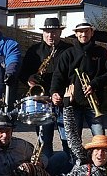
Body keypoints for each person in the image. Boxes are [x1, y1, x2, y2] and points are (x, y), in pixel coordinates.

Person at [50, 21, 107, 137]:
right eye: (80, 32)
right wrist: (54, 92)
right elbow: (58, 75)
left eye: (86, 31)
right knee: (74, 140)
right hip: (73, 104)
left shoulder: (101, 52)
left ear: (92, 33)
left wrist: (95, 83)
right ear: (76, 34)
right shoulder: (68, 54)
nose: (83, 34)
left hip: (94, 104)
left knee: (100, 139)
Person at [20, 17, 71, 157]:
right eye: (47, 32)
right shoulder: (34, 50)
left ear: (60, 32)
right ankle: (47, 168)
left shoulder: (68, 50)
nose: (50, 35)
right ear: (43, 33)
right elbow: (23, 73)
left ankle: (71, 167)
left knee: (67, 140)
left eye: (54, 32)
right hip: (42, 102)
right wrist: (28, 79)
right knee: (44, 143)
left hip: (62, 100)